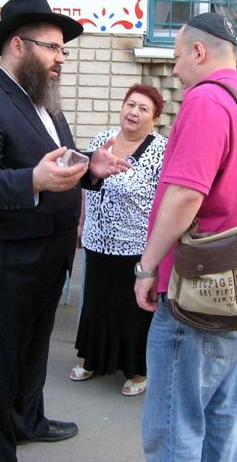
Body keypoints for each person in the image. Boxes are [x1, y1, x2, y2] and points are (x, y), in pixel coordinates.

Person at [0, 0, 130, 462]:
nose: (61, 58)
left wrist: (89, 169)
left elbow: (57, 164)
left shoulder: (47, 103)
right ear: (18, 46)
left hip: (45, 260)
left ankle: (28, 421)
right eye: (52, 48)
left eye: (63, 50)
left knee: (31, 353)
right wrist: (32, 181)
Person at [134, 13, 237, 461]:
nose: (174, 69)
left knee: (174, 424)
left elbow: (184, 197)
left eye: (177, 58)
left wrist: (146, 267)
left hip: (197, 290)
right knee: (219, 417)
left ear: (198, 51)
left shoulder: (206, 101)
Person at [71, 84, 167, 396]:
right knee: (96, 304)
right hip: (98, 240)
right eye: (130, 104)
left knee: (131, 311)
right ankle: (93, 358)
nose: (133, 112)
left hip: (136, 245)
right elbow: (86, 184)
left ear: (154, 120)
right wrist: (81, 222)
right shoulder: (102, 140)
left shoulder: (161, 150)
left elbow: (165, 201)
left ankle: (137, 369)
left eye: (143, 109)